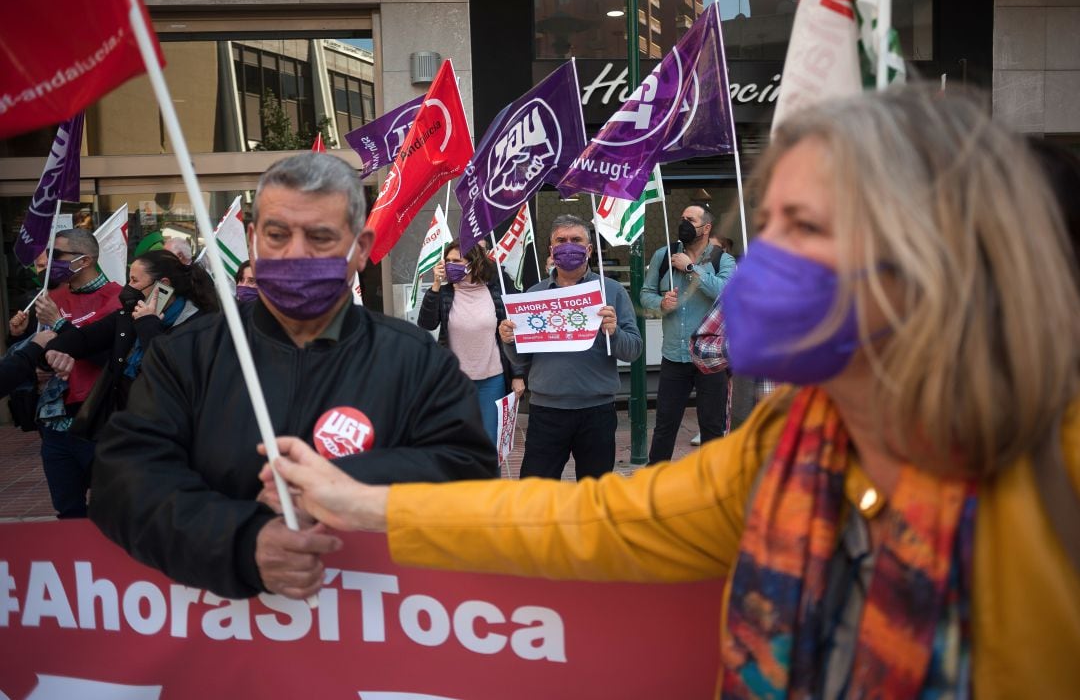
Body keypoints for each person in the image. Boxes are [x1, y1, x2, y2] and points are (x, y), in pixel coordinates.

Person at [258, 86, 1080, 698]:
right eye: (773, 223)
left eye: (806, 227)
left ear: (934, 252)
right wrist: (365, 504)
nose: (764, 262)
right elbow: (595, 519)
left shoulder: (1061, 465)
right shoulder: (783, 449)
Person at [89, 152, 498, 601]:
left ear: (360, 248)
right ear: (252, 240)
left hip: (379, 634)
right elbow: (123, 482)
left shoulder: (417, 360)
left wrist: (338, 484)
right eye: (278, 235)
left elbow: (468, 473)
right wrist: (242, 542)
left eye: (320, 237)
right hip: (225, 641)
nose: (295, 253)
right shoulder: (187, 354)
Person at [497, 215, 642, 480]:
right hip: (546, 411)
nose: (568, 246)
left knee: (595, 493)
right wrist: (508, 341)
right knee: (535, 490)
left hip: (597, 412)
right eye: (561, 241)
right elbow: (521, 357)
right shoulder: (533, 295)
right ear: (551, 250)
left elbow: (633, 350)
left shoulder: (612, 291)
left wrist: (614, 331)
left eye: (576, 240)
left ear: (589, 249)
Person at [44, 250, 219, 437]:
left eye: (135, 281)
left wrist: (147, 324)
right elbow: (83, 339)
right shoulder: (127, 316)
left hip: (174, 431)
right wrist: (53, 351)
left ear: (163, 286)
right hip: (130, 426)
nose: (128, 288)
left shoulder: (199, 324)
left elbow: (166, 369)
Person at [34, 229, 124, 518]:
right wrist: (36, 364)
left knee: (110, 509)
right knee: (68, 510)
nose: (49, 262)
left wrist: (59, 324)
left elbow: (109, 356)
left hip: (96, 421)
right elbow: (41, 349)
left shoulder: (117, 299)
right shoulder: (51, 298)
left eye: (57, 255)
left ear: (83, 260)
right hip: (55, 426)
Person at [641, 204, 736, 463]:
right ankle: (655, 484)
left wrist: (691, 269)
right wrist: (660, 303)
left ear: (706, 228)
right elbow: (645, 293)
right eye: (681, 218)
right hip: (673, 356)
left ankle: (712, 486)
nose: (683, 223)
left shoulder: (722, 260)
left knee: (712, 428)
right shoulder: (664, 256)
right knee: (664, 426)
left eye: (690, 219)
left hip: (711, 359)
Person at [418, 240, 525, 446]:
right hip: (454, 382)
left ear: (473, 262)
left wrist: (517, 375)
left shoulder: (495, 290)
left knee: (489, 442)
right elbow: (426, 323)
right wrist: (436, 285)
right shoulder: (446, 292)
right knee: (458, 442)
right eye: (447, 261)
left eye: (456, 261)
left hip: (492, 380)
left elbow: (511, 335)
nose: (450, 265)